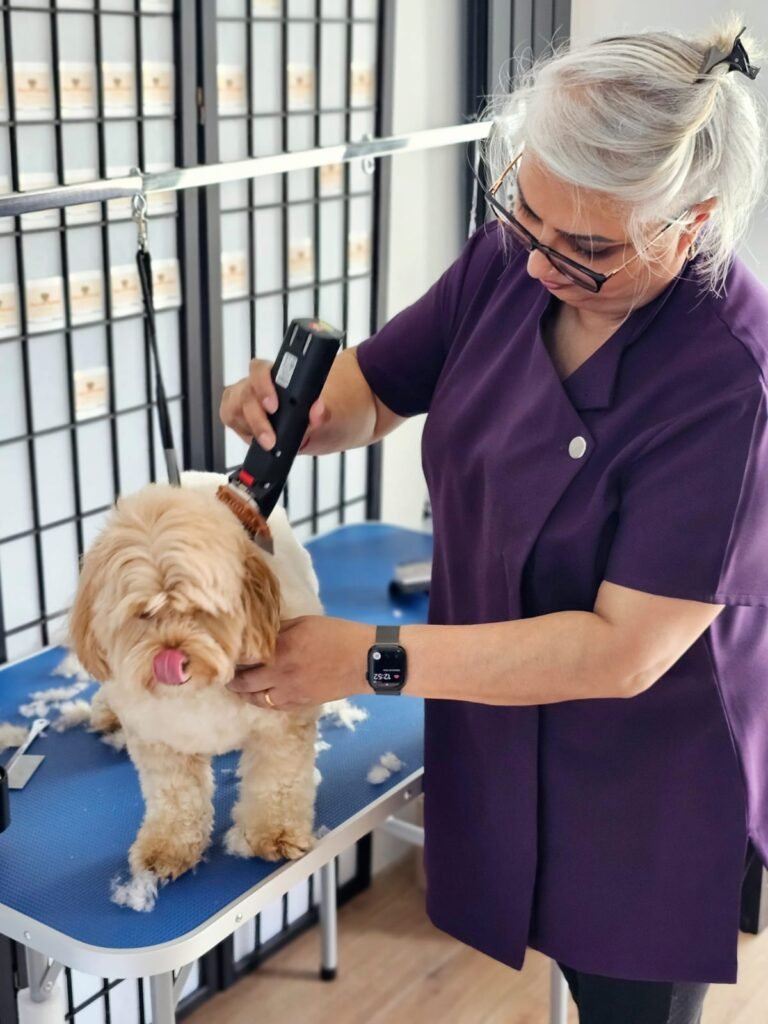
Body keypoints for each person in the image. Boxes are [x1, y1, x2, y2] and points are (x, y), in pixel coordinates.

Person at [220, 19, 768, 1024]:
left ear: (688, 225)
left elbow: (619, 654)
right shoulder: (518, 254)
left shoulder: (729, 377)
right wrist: (285, 411)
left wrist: (368, 658)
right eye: (529, 217)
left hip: (646, 773)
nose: (541, 266)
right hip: (498, 713)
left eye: (589, 250)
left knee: (625, 1001)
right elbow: (374, 391)